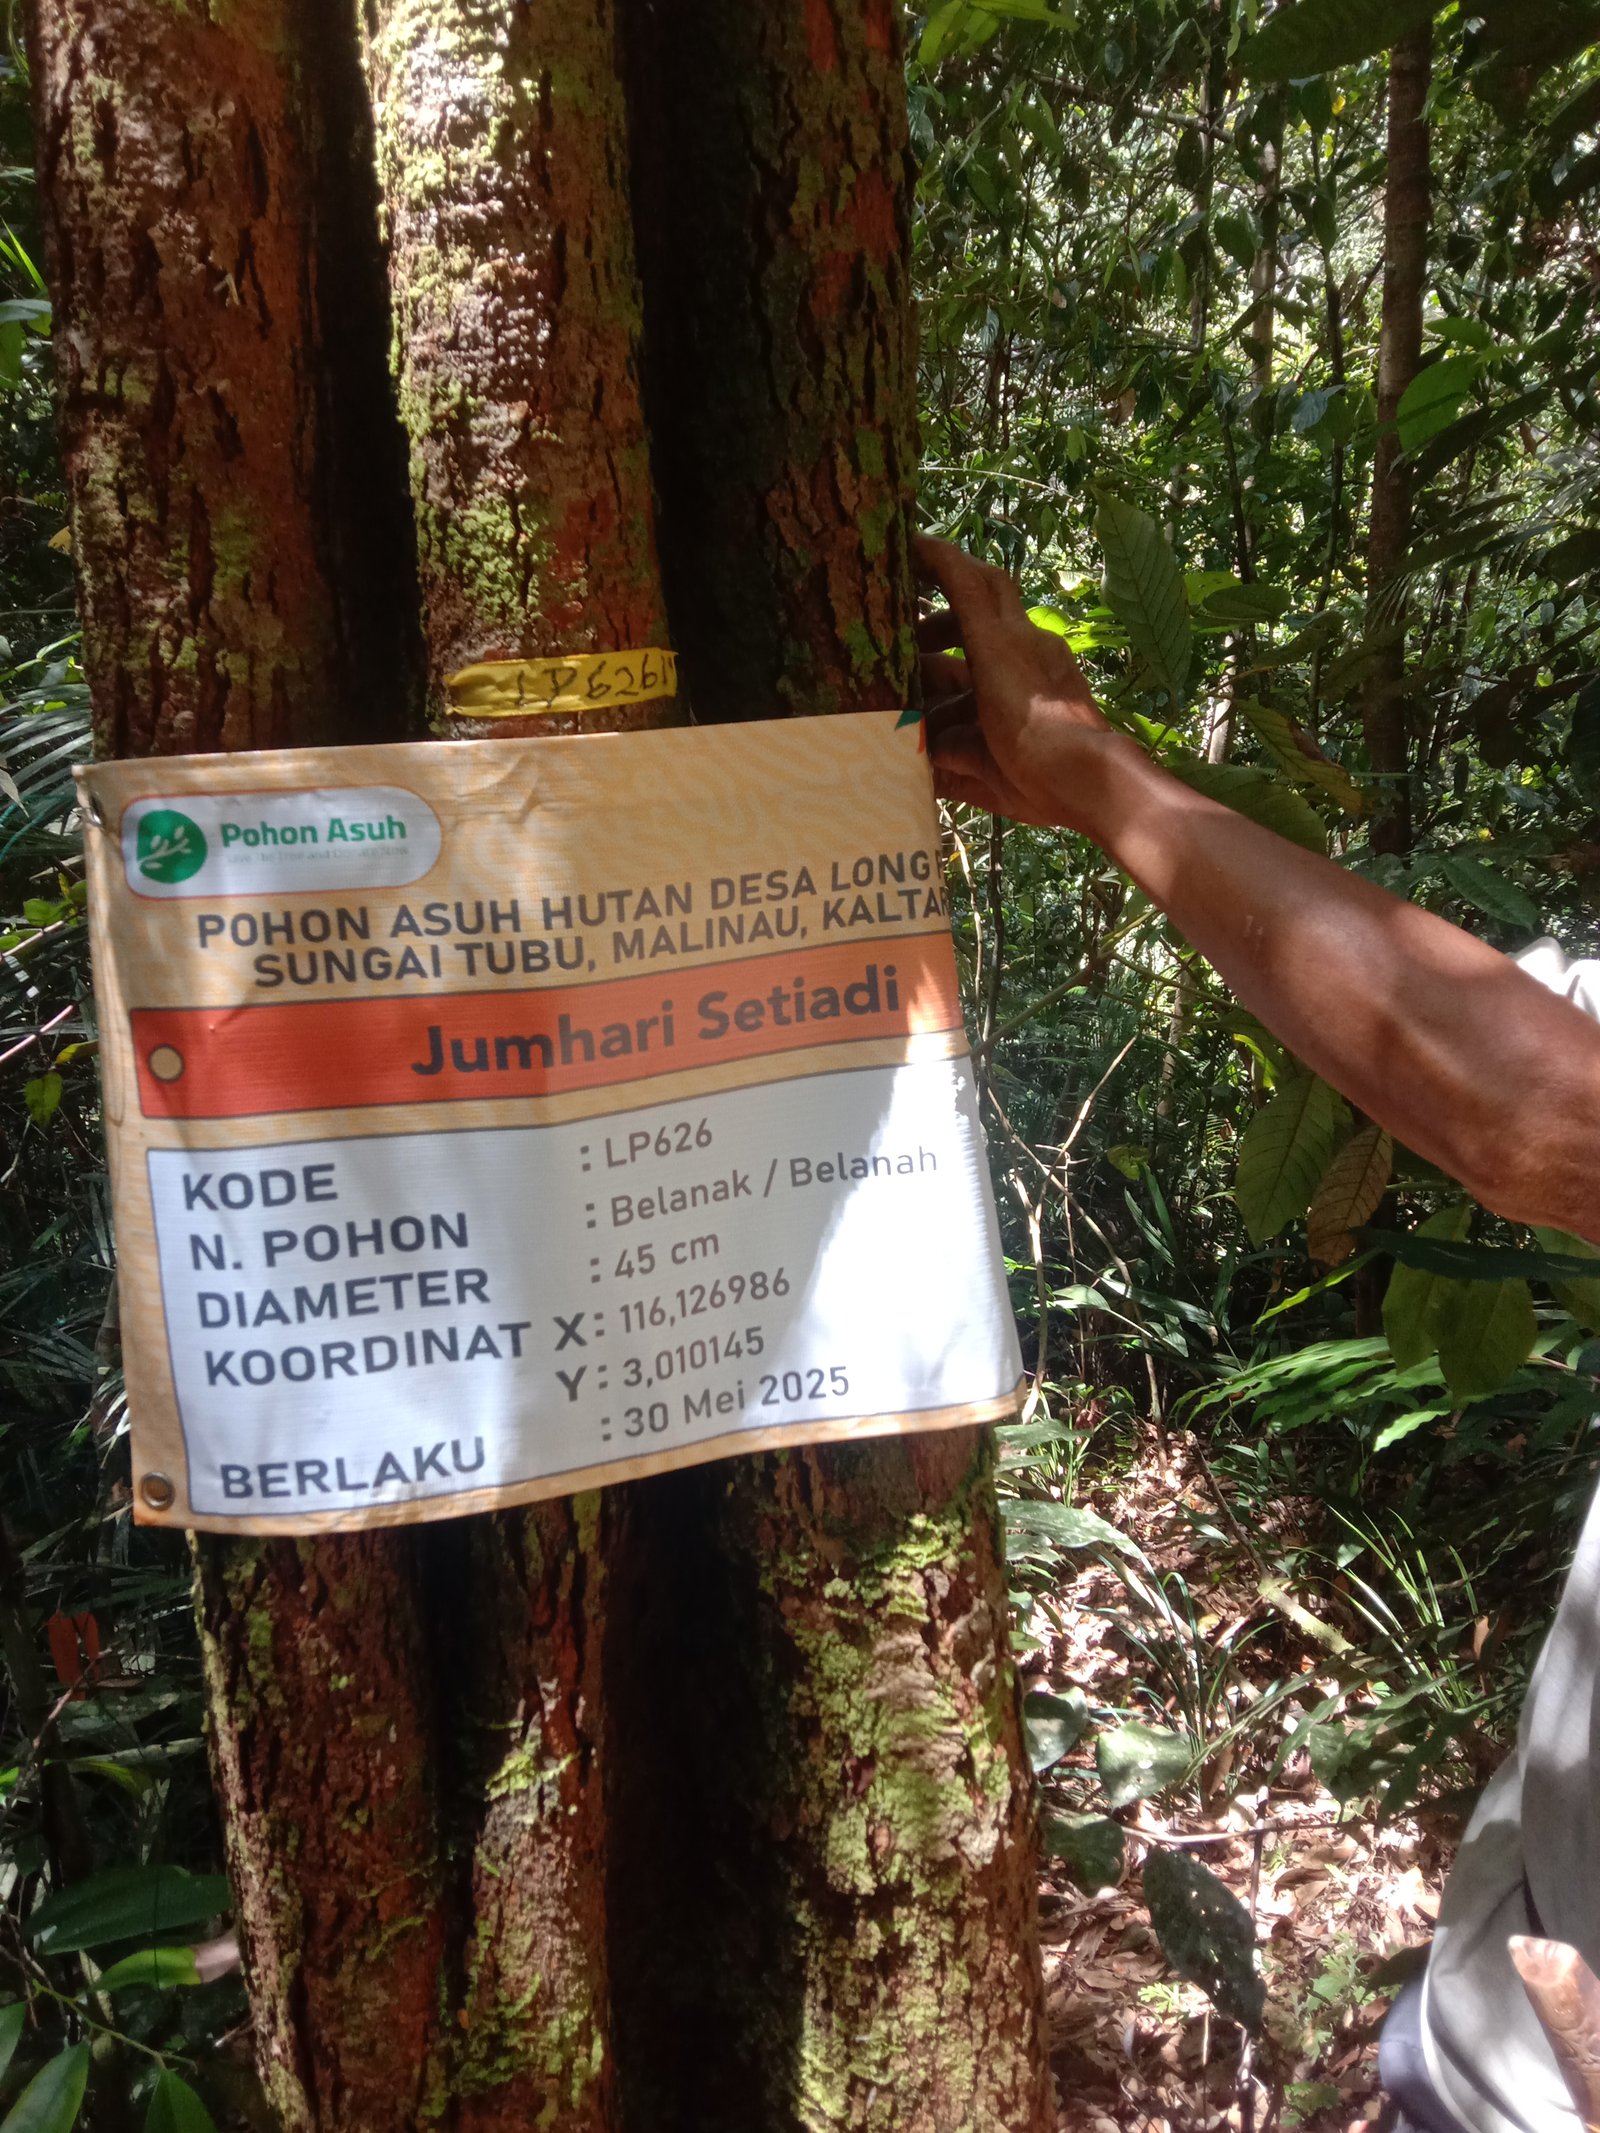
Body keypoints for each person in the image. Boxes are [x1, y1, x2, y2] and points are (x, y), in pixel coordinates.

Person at [916, 535, 1600, 2133]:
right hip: (1501, 2024)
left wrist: (1097, 773)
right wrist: (1111, 795)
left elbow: (1539, 1117)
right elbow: (1460, 1035)